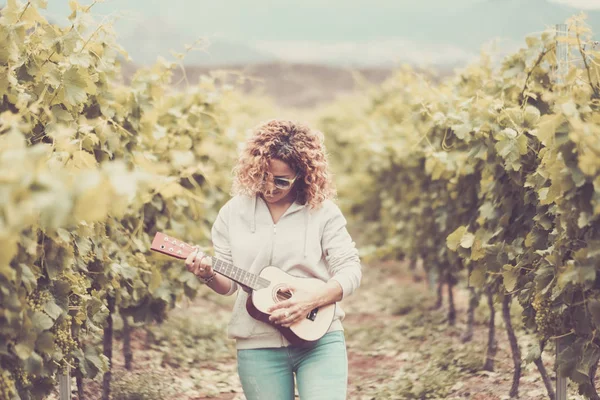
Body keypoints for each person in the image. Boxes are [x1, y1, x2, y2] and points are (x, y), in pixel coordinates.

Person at [184, 119, 362, 400]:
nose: (270, 187)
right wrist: (205, 273)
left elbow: (350, 270)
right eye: (263, 176)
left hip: (320, 340)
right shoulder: (232, 213)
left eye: (281, 181)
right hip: (257, 345)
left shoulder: (323, 212)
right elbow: (228, 285)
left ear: (303, 176)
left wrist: (311, 300)